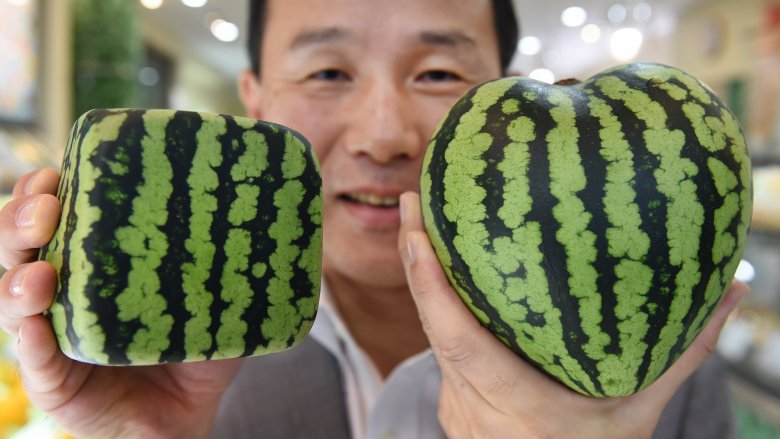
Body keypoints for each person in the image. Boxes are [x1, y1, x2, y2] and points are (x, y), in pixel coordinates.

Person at [0, 0, 749, 437]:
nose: (384, 136)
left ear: (507, 99)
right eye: (328, 72)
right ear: (257, 100)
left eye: (440, 75)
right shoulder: (182, 354)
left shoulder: (661, 368)